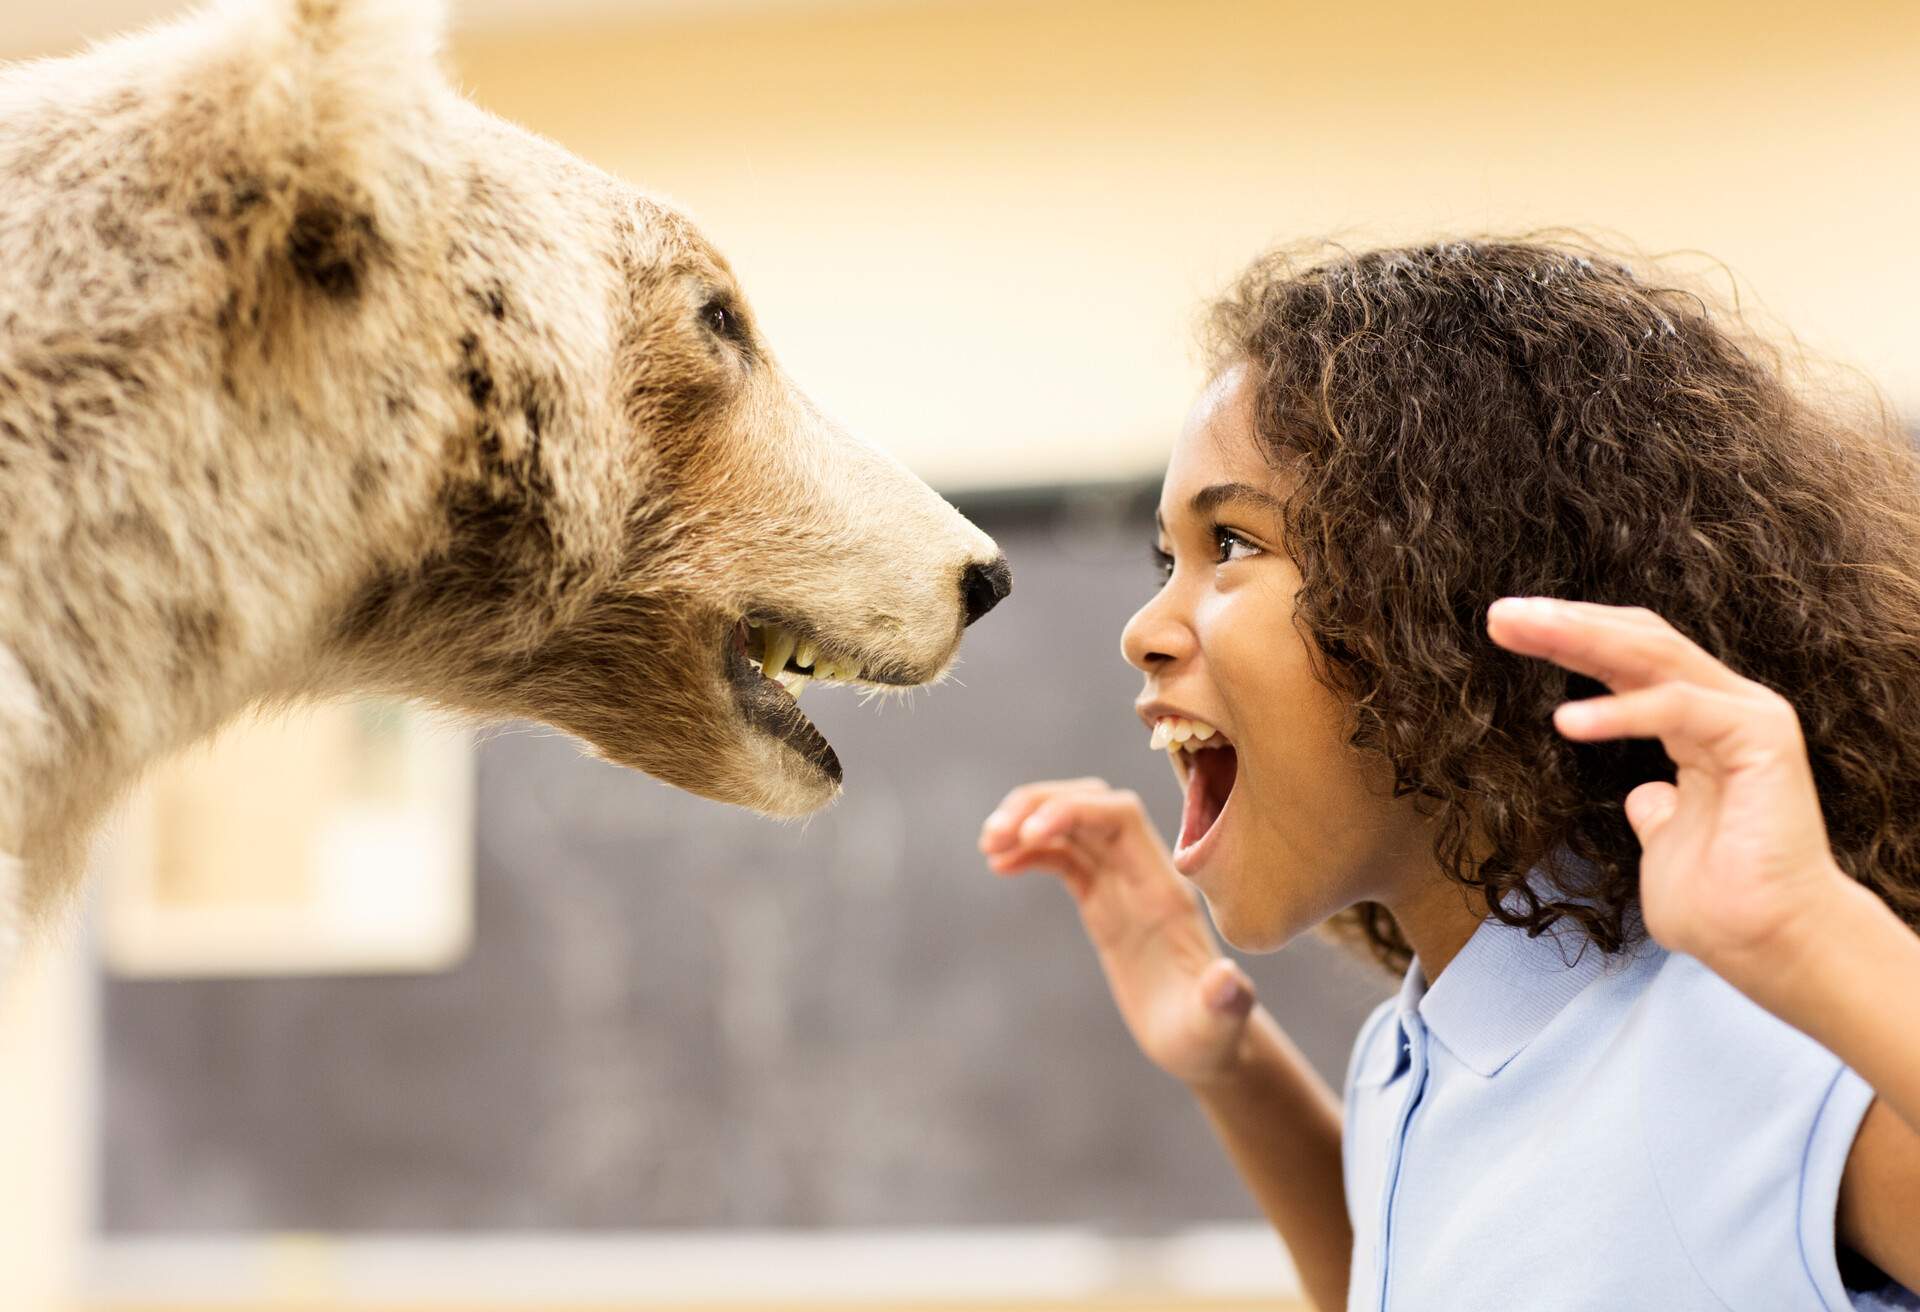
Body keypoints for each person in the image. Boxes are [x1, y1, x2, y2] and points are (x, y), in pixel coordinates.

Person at [979, 238, 1920, 1311]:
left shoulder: (1744, 1043)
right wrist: (1231, 1069)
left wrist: (1812, 933)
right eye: (1167, 559)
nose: (1142, 629)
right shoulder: (1418, 1051)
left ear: (1442, 592)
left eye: (1232, 543)